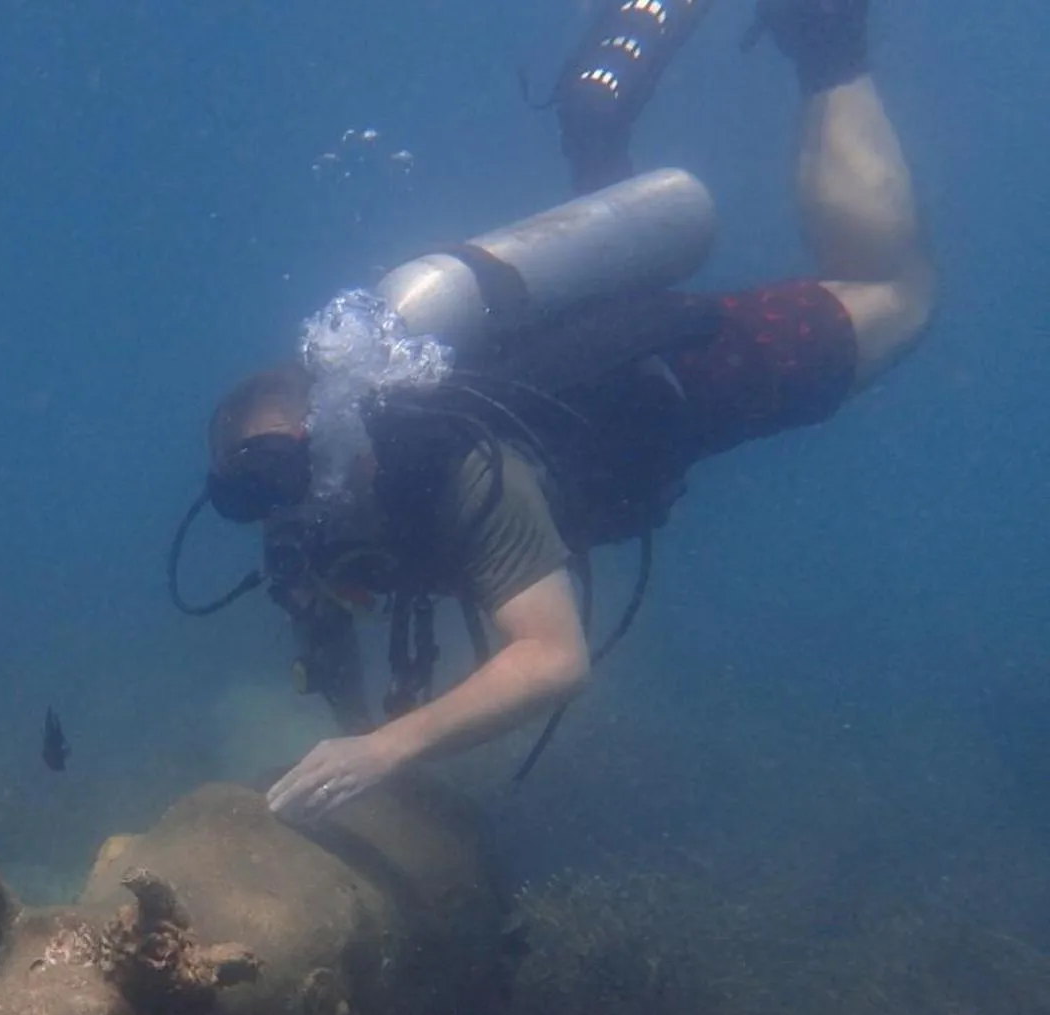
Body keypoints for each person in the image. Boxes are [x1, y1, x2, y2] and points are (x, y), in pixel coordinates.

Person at [189, 0, 931, 825]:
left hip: (688, 376)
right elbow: (326, 642)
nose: (291, 510)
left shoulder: (460, 467)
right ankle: (595, 128)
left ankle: (828, 43)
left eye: (289, 478)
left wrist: (384, 751)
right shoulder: (306, 526)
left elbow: (552, 658)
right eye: (257, 495)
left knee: (892, 293)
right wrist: (354, 736)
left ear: (345, 431)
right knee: (645, 276)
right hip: (601, 369)